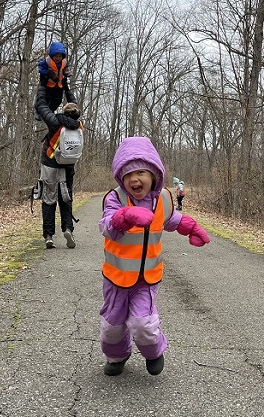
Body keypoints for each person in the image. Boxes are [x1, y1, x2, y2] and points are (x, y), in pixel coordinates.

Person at [98, 137, 210, 376]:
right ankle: (117, 356)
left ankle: (153, 351)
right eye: (127, 174)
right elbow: (107, 226)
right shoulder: (115, 199)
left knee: (143, 323)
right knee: (112, 325)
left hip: (146, 279)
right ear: (120, 178)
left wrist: (191, 227)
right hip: (116, 277)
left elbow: (171, 219)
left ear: (154, 174)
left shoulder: (164, 199)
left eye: (140, 172)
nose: (134, 179)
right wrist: (124, 217)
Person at [34, 85, 81, 249]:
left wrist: (42, 85)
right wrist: (67, 87)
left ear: (64, 111)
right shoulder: (78, 125)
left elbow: (41, 105)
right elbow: (74, 103)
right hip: (68, 166)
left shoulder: (55, 121)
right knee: (66, 199)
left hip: (50, 164)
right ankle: (68, 229)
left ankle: (49, 235)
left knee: (49, 198)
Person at [36, 42, 77, 114]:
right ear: (52, 55)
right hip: (49, 85)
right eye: (56, 56)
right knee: (46, 99)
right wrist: (48, 73)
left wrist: (67, 72)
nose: (58, 58)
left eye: (60, 56)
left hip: (59, 86)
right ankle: (41, 112)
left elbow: (66, 68)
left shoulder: (64, 62)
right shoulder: (47, 61)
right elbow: (40, 68)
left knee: (58, 101)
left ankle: (50, 111)